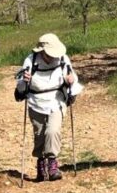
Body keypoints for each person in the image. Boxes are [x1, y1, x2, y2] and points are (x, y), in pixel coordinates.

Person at [15, 33, 78, 182]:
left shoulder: (63, 59)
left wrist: (71, 80)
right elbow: (21, 88)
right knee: (40, 135)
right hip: (36, 103)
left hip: (56, 101)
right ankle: (41, 165)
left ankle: (52, 163)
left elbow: (72, 78)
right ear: (41, 51)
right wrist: (24, 81)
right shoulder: (30, 61)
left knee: (53, 130)